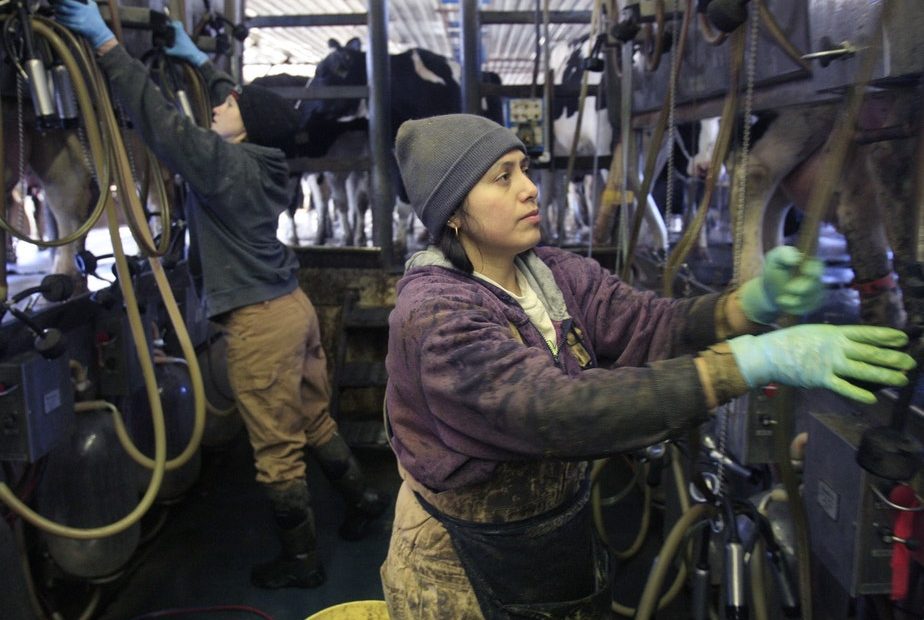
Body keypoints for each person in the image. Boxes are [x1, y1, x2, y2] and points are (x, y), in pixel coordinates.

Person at [379, 113, 915, 618]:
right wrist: (748, 362)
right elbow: (556, 412)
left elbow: (647, 323)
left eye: (524, 169)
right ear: (452, 211)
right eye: (502, 177)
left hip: (549, 540)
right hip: (454, 567)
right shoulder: (435, 316)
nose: (529, 188)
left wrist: (746, 306)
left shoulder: (550, 273)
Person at [53, 0, 388, 589]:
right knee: (313, 417)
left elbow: (160, 122)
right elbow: (240, 104)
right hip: (293, 308)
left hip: (260, 325)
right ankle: (363, 501)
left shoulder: (221, 166)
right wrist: (200, 60)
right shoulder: (263, 160)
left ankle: (303, 561)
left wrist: (106, 45)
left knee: (276, 450)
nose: (218, 104)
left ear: (246, 123)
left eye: (227, 104)